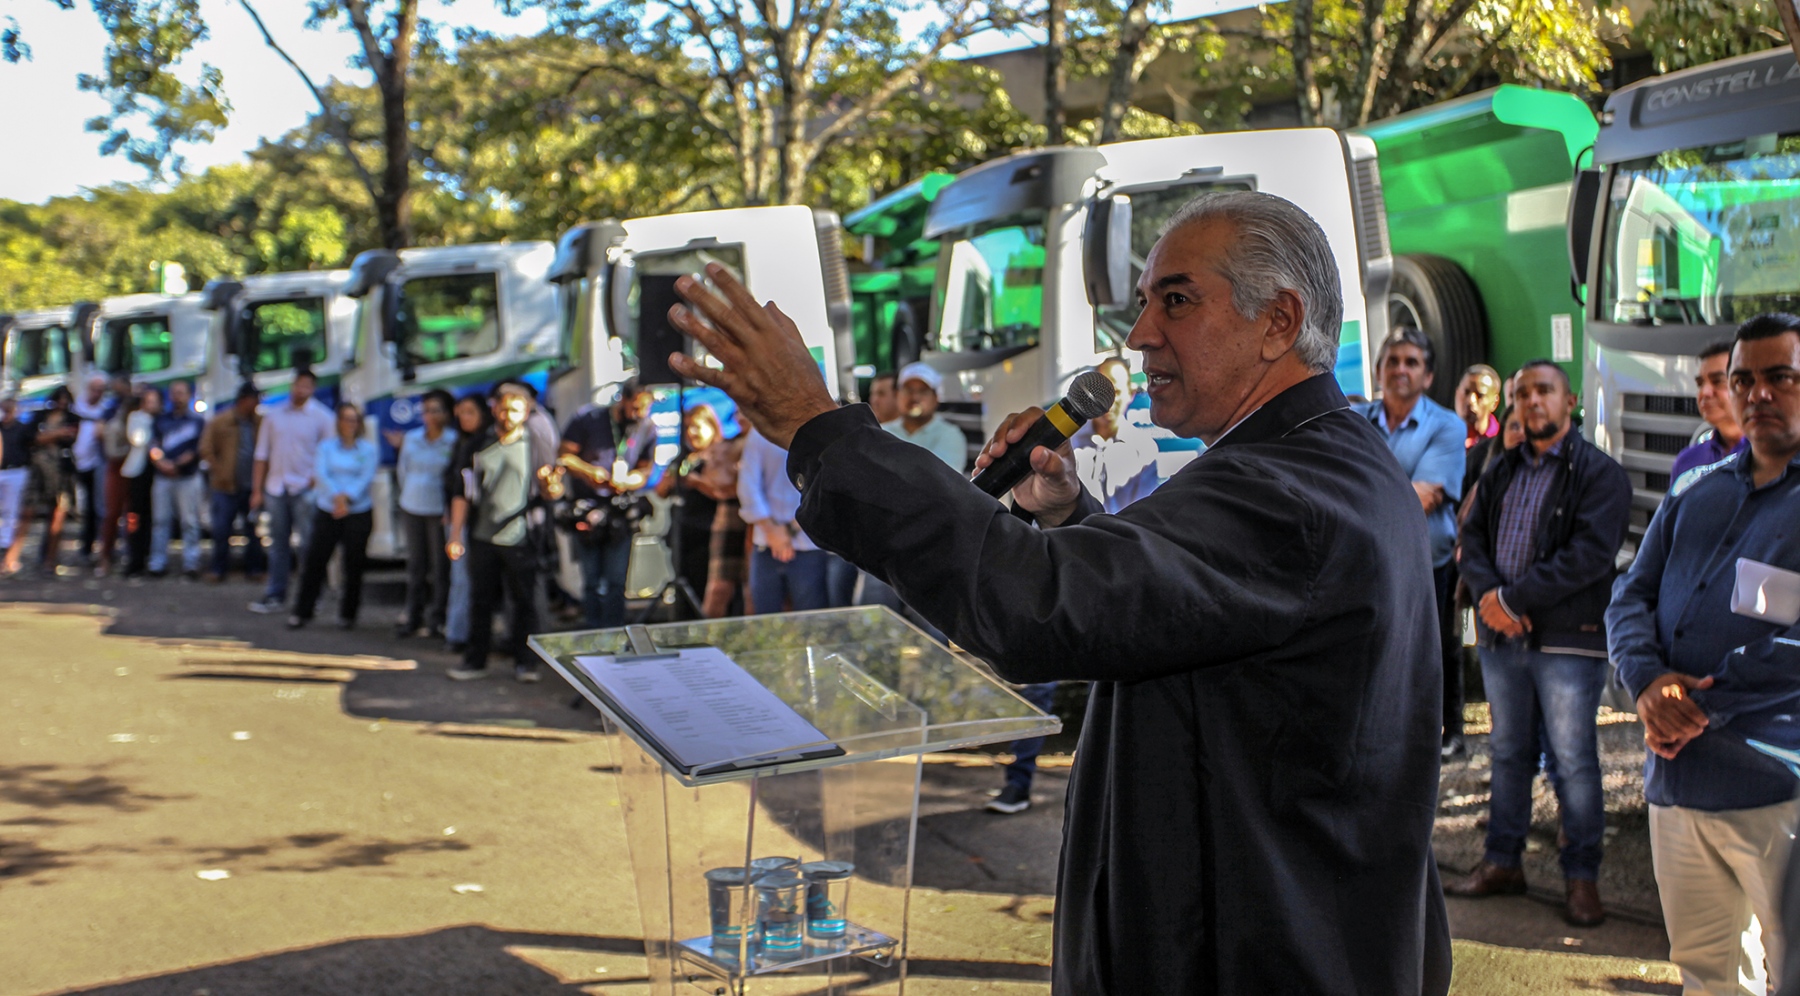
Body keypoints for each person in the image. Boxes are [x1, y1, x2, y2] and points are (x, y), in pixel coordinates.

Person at [664, 189, 1452, 992]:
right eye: (1144, 304)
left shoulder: (1286, 490)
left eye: (1176, 301)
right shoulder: (1317, 460)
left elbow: (1038, 606)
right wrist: (1070, 516)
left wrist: (820, 427)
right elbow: (1169, 607)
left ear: (1279, 322)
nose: (1142, 335)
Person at [1608, 313, 1800, 996]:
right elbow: (1630, 598)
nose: (1759, 394)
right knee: (1708, 977)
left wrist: (1699, 703)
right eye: (1744, 379)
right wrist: (1647, 683)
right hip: (1679, 788)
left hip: (1777, 791)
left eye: (1781, 376)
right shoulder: (1697, 491)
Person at [1448, 360, 1632, 927]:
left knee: (1574, 761)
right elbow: (1471, 536)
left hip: (1567, 642)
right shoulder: (1501, 469)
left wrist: (1512, 602)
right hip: (1505, 639)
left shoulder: (1600, 474)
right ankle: (1503, 861)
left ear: (1569, 400)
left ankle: (1582, 879)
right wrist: (1489, 597)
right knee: (1507, 753)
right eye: (1521, 393)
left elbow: (1588, 556)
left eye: (1543, 391)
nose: (1531, 402)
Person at [1355, 328, 1468, 758]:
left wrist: (1358, 498)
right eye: (1393, 360)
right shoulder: (1353, 422)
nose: (1401, 369)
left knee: (1436, 646)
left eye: (1412, 362)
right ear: (1379, 368)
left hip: (1429, 560)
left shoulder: (1447, 426)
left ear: (1429, 376)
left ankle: (1447, 733)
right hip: (1367, 560)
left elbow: (1422, 497)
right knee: (1377, 646)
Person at [449, 384, 546, 682]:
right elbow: (461, 494)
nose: (508, 415)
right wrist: (455, 535)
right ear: (494, 409)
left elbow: (549, 488)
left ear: (526, 411)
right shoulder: (476, 446)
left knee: (524, 602)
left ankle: (526, 663)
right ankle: (475, 661)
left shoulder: (536, 443)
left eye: (515, 409)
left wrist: (552, 487)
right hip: (482, 537)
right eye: (503, 408)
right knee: (481, 601)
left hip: (521, 537)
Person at [555, 381, 656, 628]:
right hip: (587, 508)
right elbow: (565, 456)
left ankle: (615, 631)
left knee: (615, 579)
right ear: (622, 400)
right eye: (636, 407)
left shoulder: (646, 427)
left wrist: (630, 480)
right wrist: (590, 472)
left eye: (645, 408)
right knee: (591, 580)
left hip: (620, 511)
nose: (640, 413)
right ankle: (593, 629)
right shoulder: (588, 418)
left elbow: (645, 469)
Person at [248, 369, 334, 613]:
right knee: (278, 545)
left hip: (306, 490)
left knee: (308, 545)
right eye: (298, 385)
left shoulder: (322, 417)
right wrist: (257, 490)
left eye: (306, 386)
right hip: (277, 487)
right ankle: (276, 593)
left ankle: (311, 595)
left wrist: (316, 482)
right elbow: (261, 455)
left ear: (313, 389)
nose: (300, 390)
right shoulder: (273, 417)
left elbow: (328, 455)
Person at [289, 402, 378, 630]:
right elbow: (322, 473)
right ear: (338, 422)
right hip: (328, 510)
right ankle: (302, 611)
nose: (350, 424)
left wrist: (347, 498)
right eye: (346, 419)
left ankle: (348, 615)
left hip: (357, 511)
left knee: (354, 565)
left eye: (354, 419)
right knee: (315, 561)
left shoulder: (368, 449)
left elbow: (366, 477)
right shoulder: (326, 447)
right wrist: (337, 498)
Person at [738, 426, 831, 614]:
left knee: (812, 621)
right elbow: (748, 486)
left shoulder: (820, 430)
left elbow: (825, 488)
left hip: (809, 545)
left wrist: (788, 530)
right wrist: (772, 531)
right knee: (765, 623)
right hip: (766, 544)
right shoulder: (759, 434)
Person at [395, 389, 457, 638]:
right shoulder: (412, 438)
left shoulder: (452, 440)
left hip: (439, 510)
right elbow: (403, 471)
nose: (430, 415)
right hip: (412, 505)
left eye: (436, 410)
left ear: (446, 413)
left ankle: (438, 619)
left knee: (440, 567)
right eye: (426, 410)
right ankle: (413, 615)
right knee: (416, 566)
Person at [1069, 356, 1161, 515]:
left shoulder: (1145, 451)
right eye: (1102, 392)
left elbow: (1144, 514)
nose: (1108, 401)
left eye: (1116, 392)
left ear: (1130, 394)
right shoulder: (1069, 442)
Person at [199, 384, 266, 583]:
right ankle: (218, 569)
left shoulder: (259, 423)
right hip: (225, 486)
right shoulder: (221, 422)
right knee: (221, 530)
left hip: (251, 487)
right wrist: (219, 470)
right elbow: (206, 448)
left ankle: (254, 569)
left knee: (253, 531)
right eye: (254, 400)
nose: (256, 405)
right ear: (244, 400)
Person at [442, 392, 493, 653]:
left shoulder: (488, 443)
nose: (463, 418)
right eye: (460, 413)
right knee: (461, 580)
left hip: (483, 525)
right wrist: (454, 528)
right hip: (461, 524)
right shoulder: (461, 444)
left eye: (469, 412)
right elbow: (456, 488)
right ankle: (457, 634)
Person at [1670, 340, 1747, 491]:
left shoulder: (1773, 458)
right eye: (1700, 384)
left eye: (1718, 381)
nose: (1704, 393)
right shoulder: (1688, 461)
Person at [148, 380, 206, 579]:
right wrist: (161, 462)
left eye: (181, 393)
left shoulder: (197, 421)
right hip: (163, 478)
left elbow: (198, 449)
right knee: (160, 521)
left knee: (190, 521)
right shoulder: (161, 420)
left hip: (187, 477)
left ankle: (191, 563)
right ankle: (157, 563)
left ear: (189, 395)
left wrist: (178, 464)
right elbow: (153, 446)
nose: (177, 397)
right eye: (174, 393)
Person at [26, 386, 82, 572]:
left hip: (62, 472)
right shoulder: (41, 416)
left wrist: (46, 436)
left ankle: (50, 560)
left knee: (59, 513)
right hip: (40, 470)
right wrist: (56, 434)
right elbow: (31, 438)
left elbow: (70, 438)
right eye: (60, 398)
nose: (62, 403)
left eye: (66, 399)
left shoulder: (72, 419)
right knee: (28, 512)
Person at [883, 362, 965, 470]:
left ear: (936, 398)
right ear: (897, 395)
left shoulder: (950, 435)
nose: (915, 397)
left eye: (923, 391)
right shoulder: (881, 431)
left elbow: (942, 479)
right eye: (909, 390)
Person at [96, 389, 138, 577]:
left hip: (136, 473)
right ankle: (105, 557)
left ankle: (132, 556)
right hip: (117, 471)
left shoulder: (142, 424)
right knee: (112, 514)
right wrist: (134, 449)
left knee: (133, 515)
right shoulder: (114, 426)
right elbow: (112, 453)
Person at [121, 387, 160, 578]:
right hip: (137, 473)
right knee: (135, 517)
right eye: (149, 401)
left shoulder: (162, 419)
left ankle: (150, 559)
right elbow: (137, 439)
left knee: (153, 518)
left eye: (155, 401)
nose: (152, 405)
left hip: (157, 474)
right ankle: (134, 559)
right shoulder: (137, 417)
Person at [71, 374, 108, 564]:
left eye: (101, 390)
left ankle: (94, 549)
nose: (97, 393)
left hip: (96, 464)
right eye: (94, 389)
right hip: (75, 463)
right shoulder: (76, 406)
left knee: (96, 509)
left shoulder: (106, 410)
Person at [0, 395, 33, 576]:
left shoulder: (22, 428)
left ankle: (8, 557)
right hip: (3, 472)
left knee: (11, 513)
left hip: (16, 473)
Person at [1455, 363, 1503, 449]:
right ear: (1457, 394)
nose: (1471, 401)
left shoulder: (1502, 442)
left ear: (1494, 403)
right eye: (1466, 392)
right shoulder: (1439, 438)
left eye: (1480, 395)